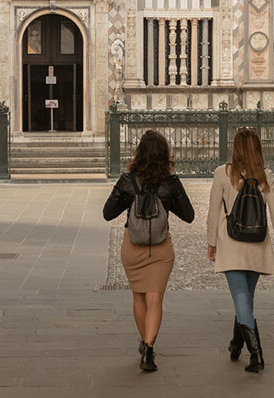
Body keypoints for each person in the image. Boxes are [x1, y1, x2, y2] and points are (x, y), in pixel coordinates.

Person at [102, 129, 195, 373]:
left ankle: (146, 343)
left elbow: (107, 213)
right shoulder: (171, 183)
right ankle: (149, 348)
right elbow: (189, 216)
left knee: (139, 297)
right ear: (165, 155)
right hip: (161, 247)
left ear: (139, 153)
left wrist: (128, 198)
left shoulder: (127, 181)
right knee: (155, 299)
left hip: (132, 246)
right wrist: (168, 201)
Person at [206, 126, 274, 373]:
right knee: (245, 299)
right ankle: (235, 345)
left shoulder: (223, 173)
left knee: (241, 299)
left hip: (231, 244)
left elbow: (213, 212)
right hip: (257, 244)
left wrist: (212, 242)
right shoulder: (266, 175)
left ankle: (256, 355)